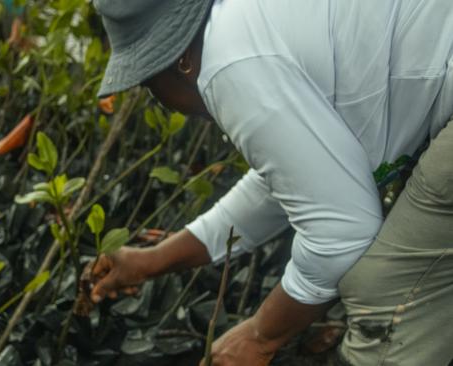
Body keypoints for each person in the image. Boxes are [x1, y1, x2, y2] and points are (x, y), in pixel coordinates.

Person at [88, 0, 453, 365]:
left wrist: (261, 336)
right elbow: (289, 185)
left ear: (180, 58)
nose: (160, 103)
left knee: (384, 298)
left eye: (150, 84)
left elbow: (341, 234)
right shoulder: (247, 24)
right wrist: (150, 262)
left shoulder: (227, 63)